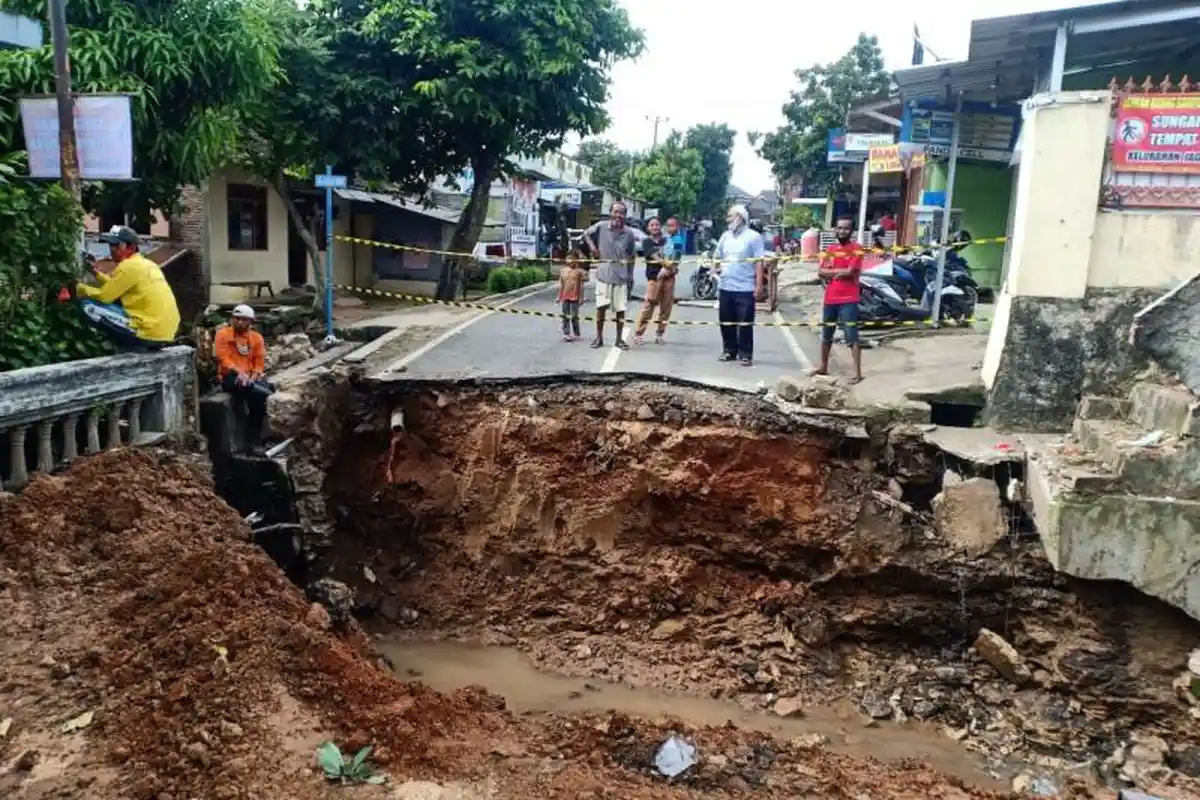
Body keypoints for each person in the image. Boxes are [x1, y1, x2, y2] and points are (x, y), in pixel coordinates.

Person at [75, 225, 180, 351]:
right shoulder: (147, 264)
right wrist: (95, 273)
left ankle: (124, 346)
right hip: (165, 332)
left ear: (131, 248)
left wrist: (78, 288)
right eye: (111, 245)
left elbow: (104, 296)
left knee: (88, 305)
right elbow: (117, 285)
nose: (112, 249)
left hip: (147, 330)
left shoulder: (128, 266)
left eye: (117, 245)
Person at [214, 304, 273, 452]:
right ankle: (252, 444)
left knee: (260, 398)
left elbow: (259, 362)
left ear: (251, 321)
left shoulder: (256, 338)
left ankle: (255, 440)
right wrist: (239, 372)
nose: (240, 322)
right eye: (237, 318)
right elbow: (222, 358)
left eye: (244, 319)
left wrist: (254, 376)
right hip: (230, 375)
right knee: (254, 392)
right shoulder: (222, 334)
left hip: (250, 377)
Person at [582, 201, 641, 349]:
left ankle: (619, 340)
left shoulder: (629, 233)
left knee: (620, 310)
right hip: (603, 274)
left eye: (621, 213)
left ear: (625, 215)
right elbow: (585, 233)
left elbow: (632, 256)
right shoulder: (601, 226)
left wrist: (630, 276)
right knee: (601, 308)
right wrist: (593, 248)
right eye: (616, 212)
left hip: (621, 276)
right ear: (610, 213)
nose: (618, 215)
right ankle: (599, 338)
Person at [815, 216, 864, 383]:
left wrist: (833, 271)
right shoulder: (831, 249)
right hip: (830, 298)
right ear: (835, 229)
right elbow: (820, 271)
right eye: (840, 228)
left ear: (851, 231)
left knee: (851, 335)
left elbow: (850, 272)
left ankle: (857, 374)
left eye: (846, 228)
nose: (842, 231)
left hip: (849, 298)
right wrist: (839, 271)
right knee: (826, 334)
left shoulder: (857, 249)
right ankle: (823, 367)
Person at [713, 204, 764, 366]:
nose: (728, 219)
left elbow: (759, 262)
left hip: (745, 288)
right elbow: (717, 255)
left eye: (730, 216)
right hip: (726, 286)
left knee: (745, 323)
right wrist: (715, 267)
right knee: (726, 321)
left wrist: (759, 285)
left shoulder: (754, 237)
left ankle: (745, 354)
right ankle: (729, 351)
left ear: (740, 218)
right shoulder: (725, 236)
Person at [633, 217, 677, 345]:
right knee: (649, 306)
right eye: (652, 225)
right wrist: (668, 265)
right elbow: (655, 256)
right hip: (654, 278)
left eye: (657, 224)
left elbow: (674, 255)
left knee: (666, 308)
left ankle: (660, 334)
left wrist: (672, 267)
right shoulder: (647, 241)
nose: (655, 227)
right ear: (648, 228)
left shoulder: (667, 240)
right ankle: (639, 334)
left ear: (661, 226)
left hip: (669, 278)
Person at [558, 247, 586, 341]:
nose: (569, 260)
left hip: (575, 297)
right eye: (568, 258)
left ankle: (576, 332)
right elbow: (561, 284)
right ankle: (566, 333)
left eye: (572, 258)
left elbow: (582, 285)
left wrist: (581, 298)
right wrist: (559, 296)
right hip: (565, 297)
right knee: (565, 315)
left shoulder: (579, 271)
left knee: (574, 316)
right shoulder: (563, 271)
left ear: (576, 260)